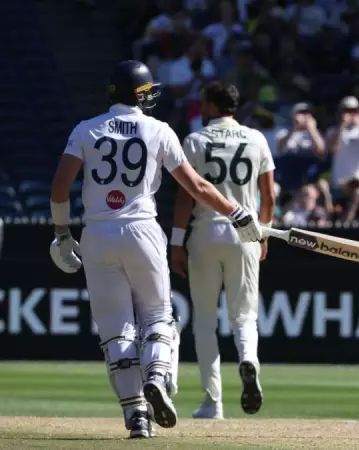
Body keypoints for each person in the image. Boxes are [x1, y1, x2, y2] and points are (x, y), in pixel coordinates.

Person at [48, 61, 261, 438]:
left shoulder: (86, 129)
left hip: (97, 232)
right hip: (143, 230)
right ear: (141, 94)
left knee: (116, 330)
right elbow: (196, 186)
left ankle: (137, 418)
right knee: (159, 318)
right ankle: (159, 380)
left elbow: (59, 188)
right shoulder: (159, 130)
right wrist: (237, 213)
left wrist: (63, 234)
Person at [170, 81, 276, 420]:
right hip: (245, 232)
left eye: (204, 103)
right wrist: (263, 235)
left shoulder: (195, 140)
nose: (201, 109)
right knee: (244, 315)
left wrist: (175, 242)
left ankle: (212, 402)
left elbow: (186, 196)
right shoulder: (256, 139)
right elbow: (269, 195)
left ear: (214, 106)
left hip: (204, 231)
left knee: (203, 320)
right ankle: (248, 360)